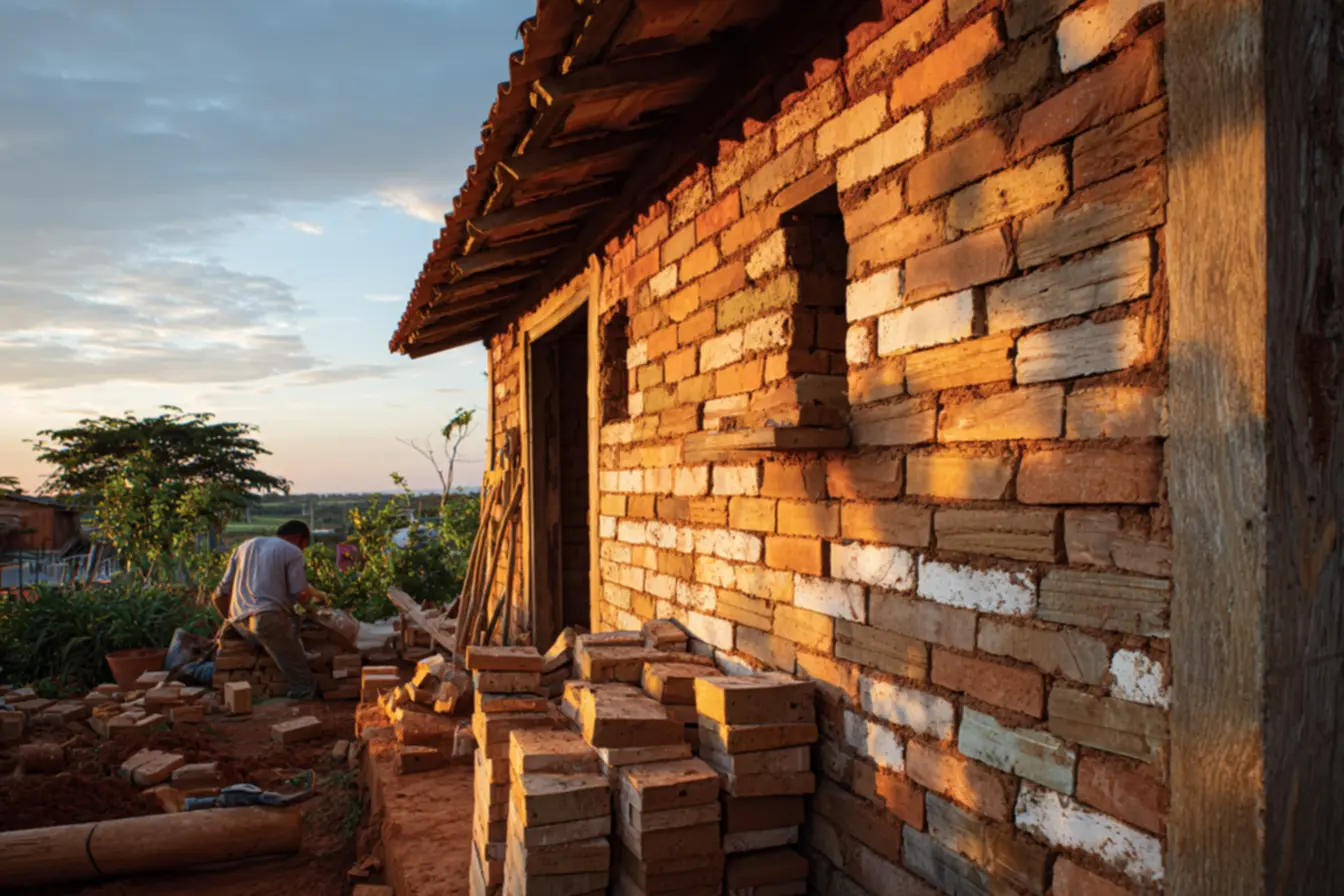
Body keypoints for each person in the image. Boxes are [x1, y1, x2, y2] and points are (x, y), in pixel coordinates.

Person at [212, 520, 328, 699]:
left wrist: (228, 618)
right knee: (297, 664)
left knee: (284, 627)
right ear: (299, 539)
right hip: (265, 619)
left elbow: (220, 593)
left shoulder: (244, 546)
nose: (303, 550)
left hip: (239, 623)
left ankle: (293, 653)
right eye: (304, 546)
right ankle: (305, 692)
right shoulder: (292, 551)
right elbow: (300, 594)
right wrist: (313, 609)